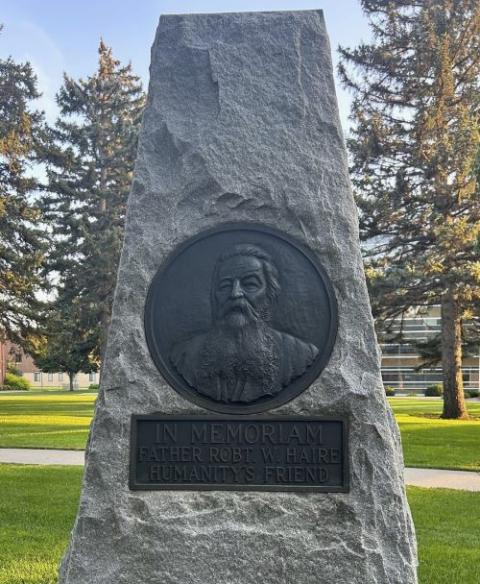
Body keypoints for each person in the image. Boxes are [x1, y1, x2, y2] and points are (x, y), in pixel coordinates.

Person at [170, 244, 318, 403]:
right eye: (225, 286)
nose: (235, 294)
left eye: (250, 284)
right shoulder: (184, 356)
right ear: (215, 296)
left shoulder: (300, 356)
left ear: (270, 295)